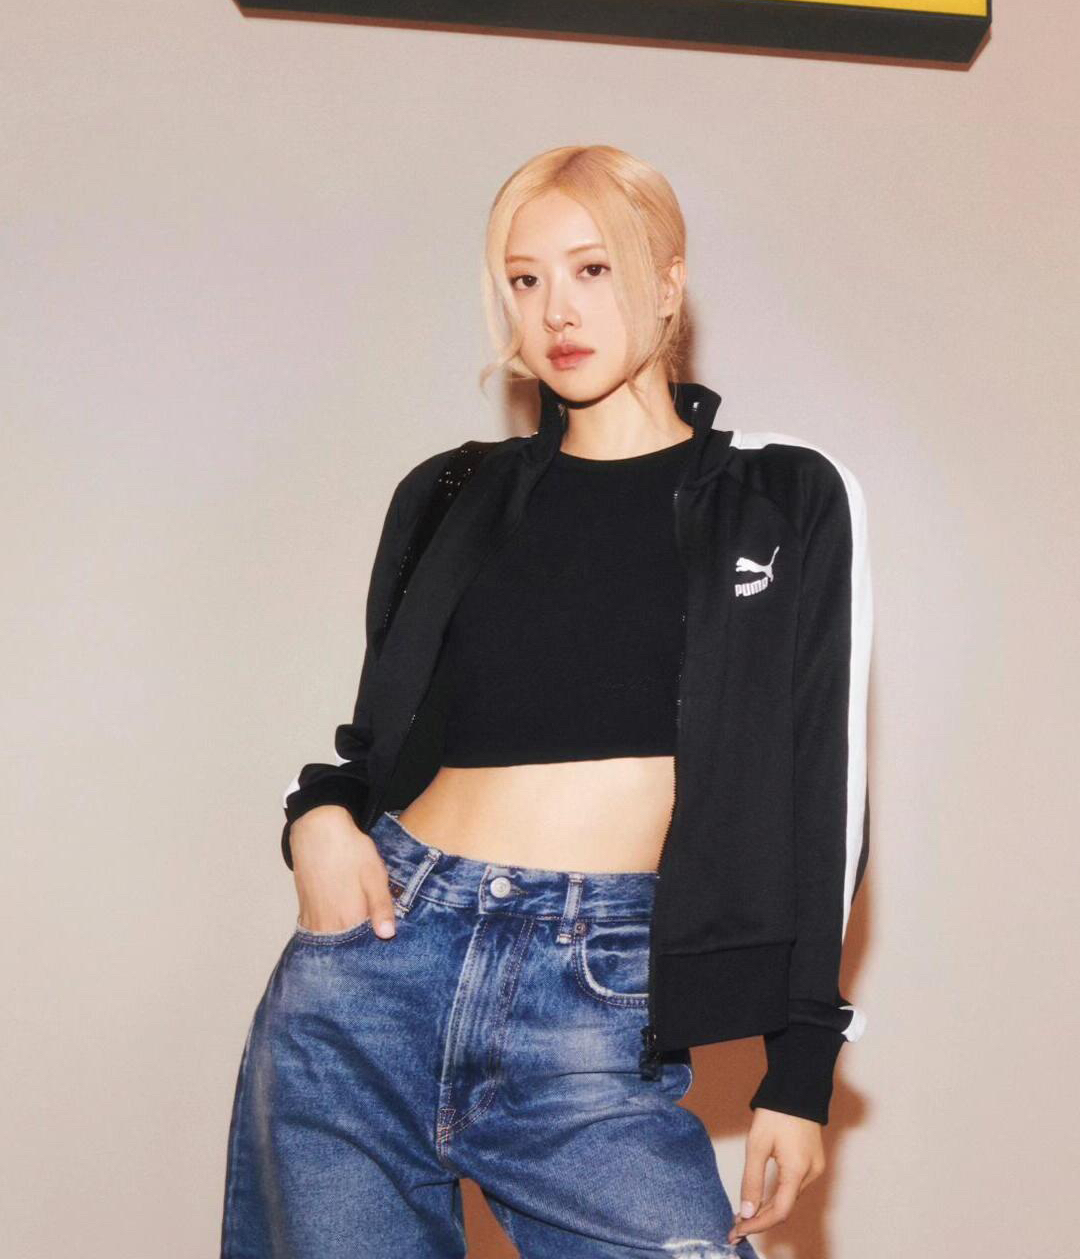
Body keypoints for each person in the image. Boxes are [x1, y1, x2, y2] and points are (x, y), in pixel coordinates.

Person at [220, 145, 872, 1258]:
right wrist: (316, 820)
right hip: (372, 974)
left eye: (592, 269)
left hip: (597, 993)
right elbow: (375, 743)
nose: (556, 310)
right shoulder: (449, 493)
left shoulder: (783, 495)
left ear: (668, 284)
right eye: (525, 280)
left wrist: (799, 1068)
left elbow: (825, 787)